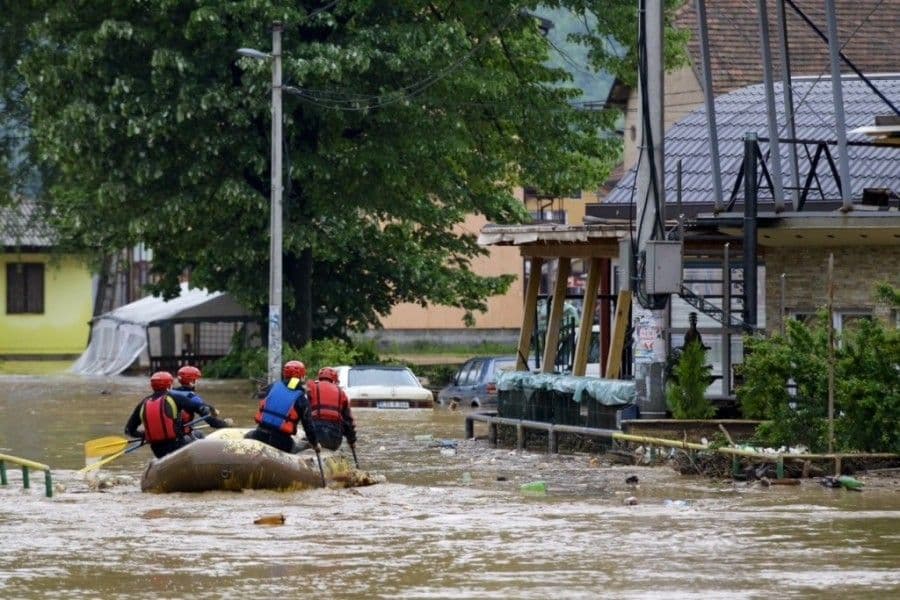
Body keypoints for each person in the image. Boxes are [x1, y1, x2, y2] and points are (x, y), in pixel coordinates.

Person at [124, 371, 229, 459]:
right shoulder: (175, 397)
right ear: (169, 385)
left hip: (157, 451)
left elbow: (129, 430)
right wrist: (224, 424)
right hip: (178, 446)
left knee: (191, 434)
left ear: (152, 386)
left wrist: (146, 435)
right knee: (199, 434)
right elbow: (205, 413)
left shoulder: (143, 403)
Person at [245, 360, 320, 454]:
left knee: (247, 436)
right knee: (302, 447)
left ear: (284, 374)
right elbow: (309, 426)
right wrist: (315, 444)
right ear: (302, 377)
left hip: (260, 434)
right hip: (282, 442)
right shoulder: (302, 399)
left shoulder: (272, 387)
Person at [302, 367, 357, 452]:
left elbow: (303, 410)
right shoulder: (342, 393)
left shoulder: (312, 386)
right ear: (334, 380)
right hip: (335, 437)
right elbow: (348, 422)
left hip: (317, 433)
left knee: (305, 439)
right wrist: (351, 441)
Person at [173, 365, 232, 436]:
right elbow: (212, 422)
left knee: (198, 433)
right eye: (196, 380)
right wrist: (226, 424)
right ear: (191, 382)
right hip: (180, 437)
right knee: (200, 434)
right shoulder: (192, 397)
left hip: (171, 433)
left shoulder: (171, 392)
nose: (197, 382)